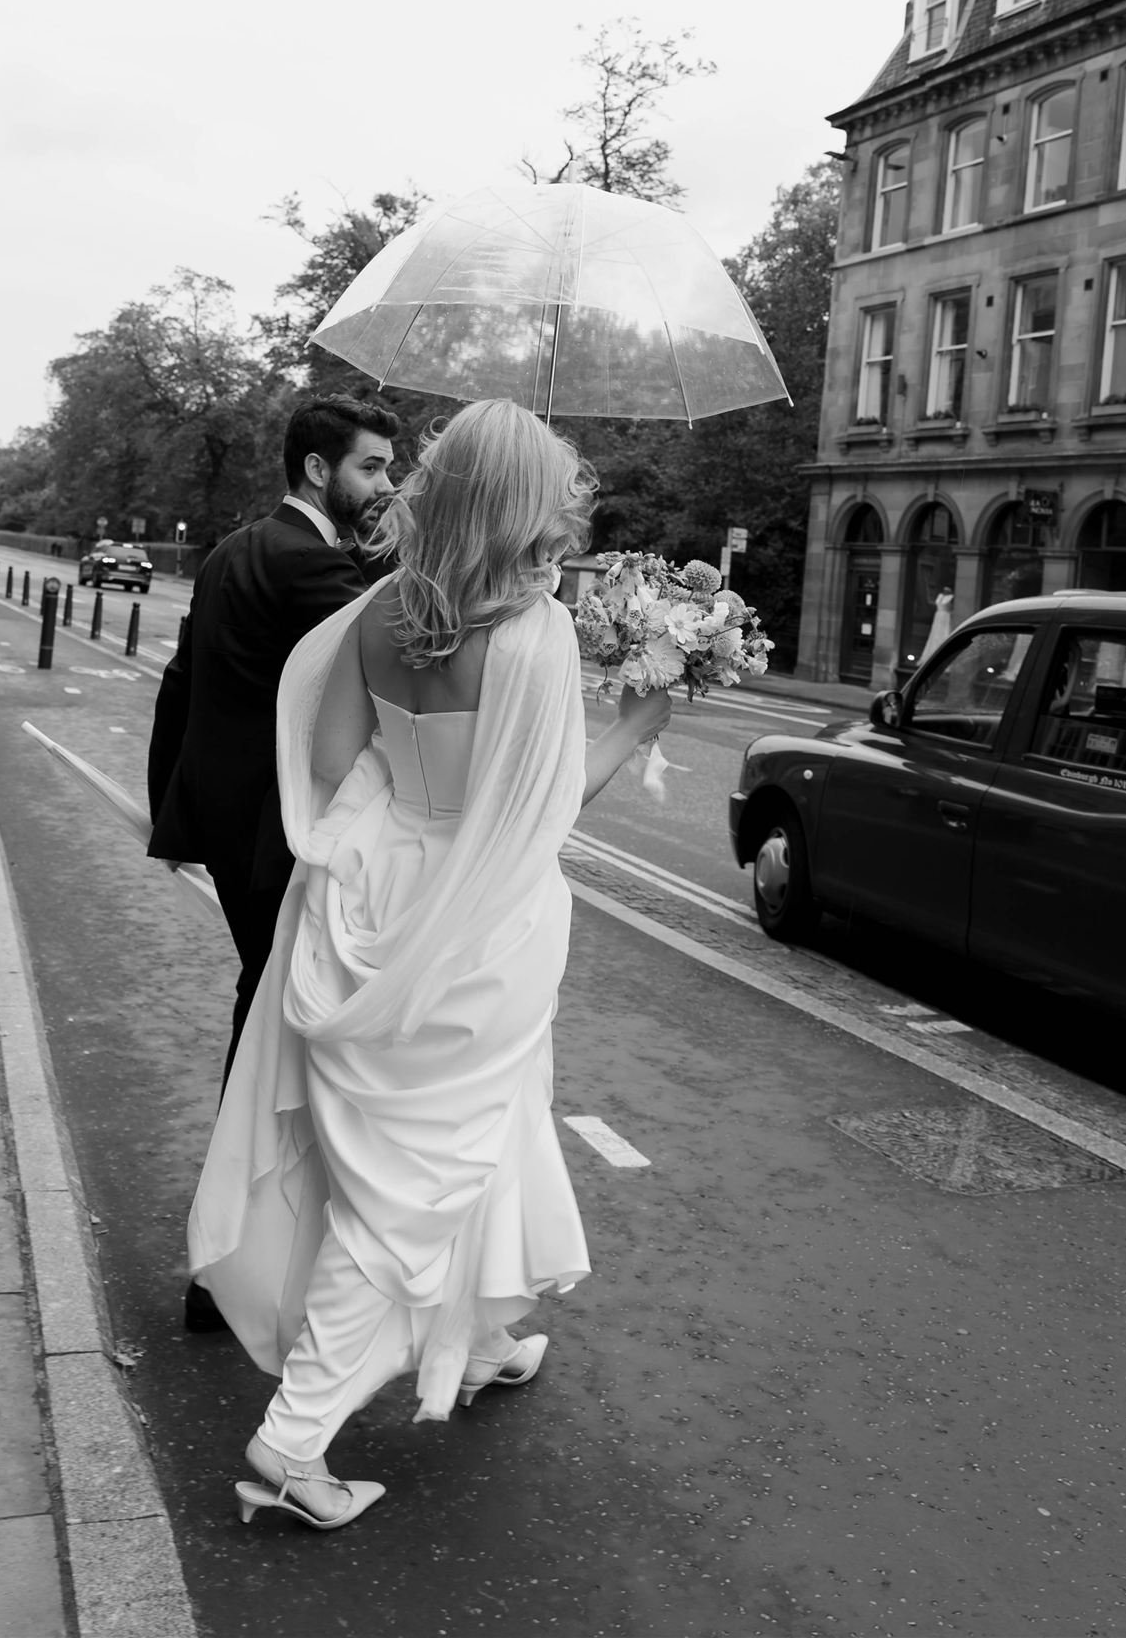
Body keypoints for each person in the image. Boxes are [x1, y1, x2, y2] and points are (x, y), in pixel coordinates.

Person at [187, 400, 670, 1531]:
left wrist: (403, 836)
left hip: (376, 891)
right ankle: (292, 1439)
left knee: (469, 1130)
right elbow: (545, 815)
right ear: (520, 503)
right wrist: (638, 721)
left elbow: (328, 761)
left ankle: (481, 1334)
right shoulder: (533, 635)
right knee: (415, 1183)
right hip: (483, 925)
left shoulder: (375, 613)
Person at [148, 397, 399, 1331]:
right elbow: (397, 664)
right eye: (371, 469)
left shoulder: (231, 550)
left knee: (269, 1023)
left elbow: (184, 686)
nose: (386, 486)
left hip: (224, 827)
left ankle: (240, 1262)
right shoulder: (310, 566)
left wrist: (172, 809)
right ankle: (225, 1267)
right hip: (273, 841)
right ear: (315, 471)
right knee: (273, 1039)